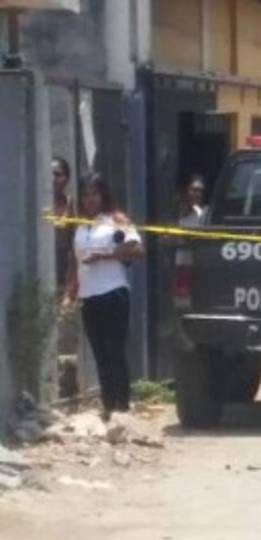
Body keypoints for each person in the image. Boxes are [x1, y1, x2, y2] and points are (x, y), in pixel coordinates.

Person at [64, 173, 145, 420]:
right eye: (86, 195)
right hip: (89, 297)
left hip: (113, 293)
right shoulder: (80, 226)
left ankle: (123, 406)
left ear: (103, 196)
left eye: (95, 194)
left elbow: (137, 249)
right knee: (99, 353)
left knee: (114, 350)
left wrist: (106, 255)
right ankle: (109, 406)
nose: (90, 199)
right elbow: (75, 263)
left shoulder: (116, 220)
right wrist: (70, 294)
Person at [51, 156, 76, 289]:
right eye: (50, 174)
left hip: (63, 271)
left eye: (57, 174)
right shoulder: (38, 202)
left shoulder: (70, 204)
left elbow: (74, 242)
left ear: (66, 178)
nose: (52, 179)